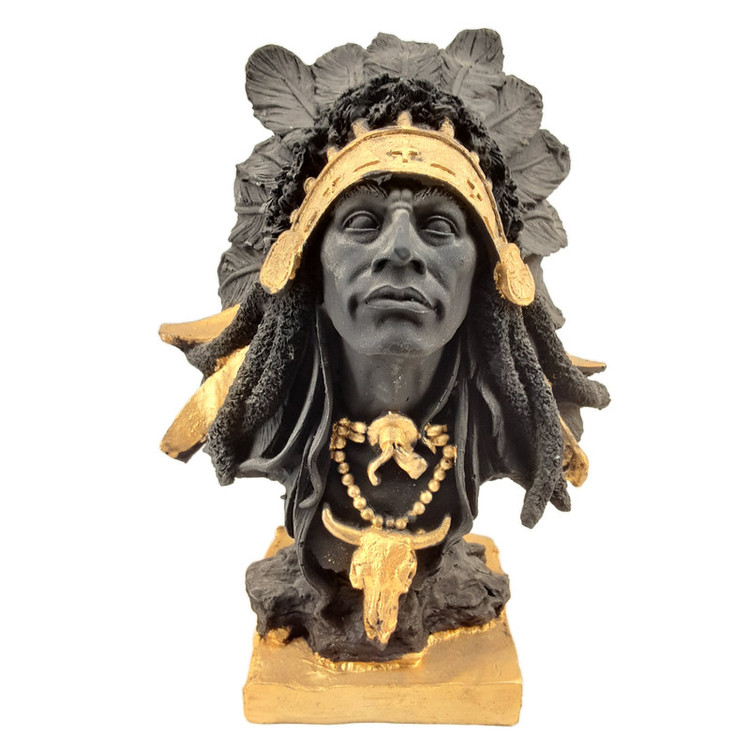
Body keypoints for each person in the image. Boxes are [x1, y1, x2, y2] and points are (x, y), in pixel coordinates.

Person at [161, 76, 609, 658]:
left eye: (439, 226)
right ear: (305, 265)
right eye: (362, 222)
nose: (401, 249)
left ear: (489, 276)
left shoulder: (518, 416)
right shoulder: (247, 405)